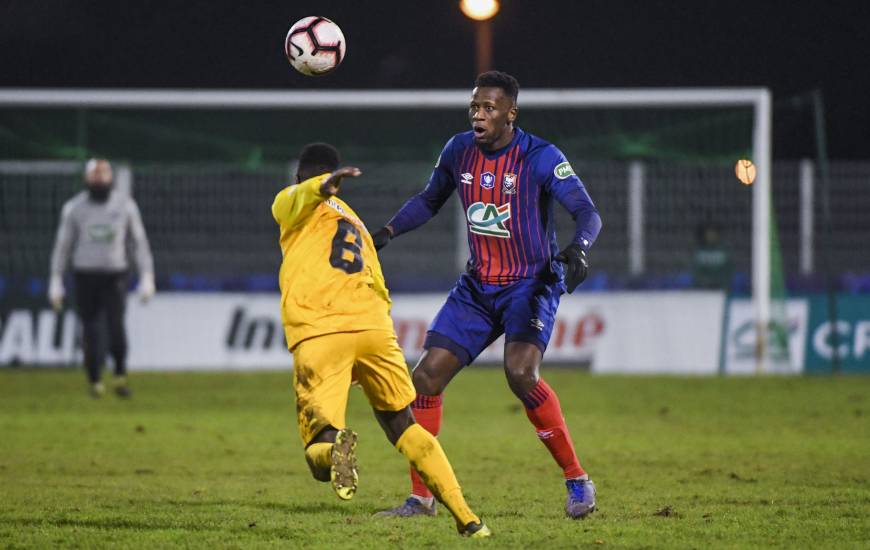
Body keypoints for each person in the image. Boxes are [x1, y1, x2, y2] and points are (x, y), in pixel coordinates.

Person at [372, 71, 603, 519]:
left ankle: (577, 479)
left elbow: (586, 211)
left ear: (510, 114)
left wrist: (578, 248)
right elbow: (429, 199)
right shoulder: (458, 149)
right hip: (478, 286)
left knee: (520, 373)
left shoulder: (540, 156)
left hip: (530, 284)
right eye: (475, 107)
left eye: (490, 108)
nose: (479, 115)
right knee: (425, 377)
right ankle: (422, 498)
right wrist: (386, 231)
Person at [271, 143, 491, 538]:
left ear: (298, 177)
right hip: (375, 329)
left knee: (318, 456)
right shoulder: (352, 221)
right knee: (403, 424)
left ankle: (333, 445)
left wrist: (320, 185)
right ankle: (468, 519)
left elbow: (297, 196)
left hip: (322, 331)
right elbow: (377, 280)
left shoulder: (291, 206)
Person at [48, 158, 155, 398]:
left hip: (115, 274)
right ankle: (95, 380)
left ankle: (119, 375)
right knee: (90, 329)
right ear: (87, 179)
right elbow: (63, 246)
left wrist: (147, 275)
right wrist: (56, 279)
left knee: (116, 326)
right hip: (85, 275)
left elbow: (138, 243)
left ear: (111, 178)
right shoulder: (74, 208)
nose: (100, 179)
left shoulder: (125, 206)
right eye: (95, 175)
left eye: (103, 174)